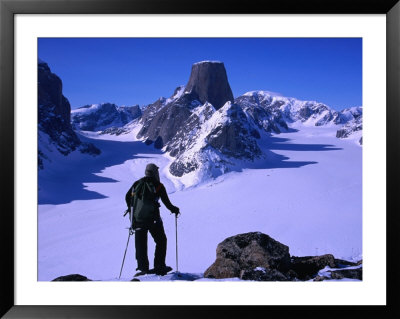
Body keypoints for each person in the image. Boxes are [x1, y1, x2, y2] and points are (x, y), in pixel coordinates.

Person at [125, 163, 180, 276]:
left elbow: (127, 197)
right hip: (153, 220)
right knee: (161, 241)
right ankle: (159, 266)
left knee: (141, 244)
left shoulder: (137, 184)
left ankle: (143, 268)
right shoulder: (158, 186)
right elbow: (167, 203)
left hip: (138, 220)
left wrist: (132, 212)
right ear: (155, 172)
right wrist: (175, 210)